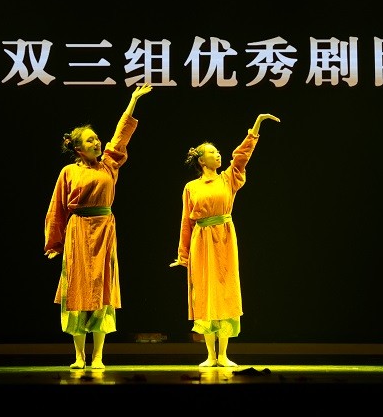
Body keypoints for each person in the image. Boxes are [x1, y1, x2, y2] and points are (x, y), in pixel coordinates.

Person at [44, 84, 153, 370]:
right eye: (90, 140)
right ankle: (79, 355)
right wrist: (54, 243)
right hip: (79, 232)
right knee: (77, 288)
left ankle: (98, 356)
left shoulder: (108, 165)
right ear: (79, 148)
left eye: (96, 138)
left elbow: (120, 136)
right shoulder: (69, 172)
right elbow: (56, 209)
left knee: (102, 288)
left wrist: (132, 101)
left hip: (104, 230)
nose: (97, 142)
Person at [169, 113, 280, 368]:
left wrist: (255, 128)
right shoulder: (191, 187)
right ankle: (210, 355)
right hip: (201, 241)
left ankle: (223, 355)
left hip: (225, 239)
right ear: (201, 160)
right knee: (206, 293)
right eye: (212, 152)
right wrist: (183, 255)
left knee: (225, 292)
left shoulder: (227, 179)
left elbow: (241, 157)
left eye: (218, 151)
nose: (218, 154)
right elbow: (186, 222)